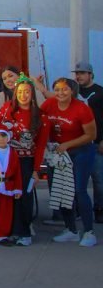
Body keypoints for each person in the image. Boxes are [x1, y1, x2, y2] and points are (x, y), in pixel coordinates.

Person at [42, 77, 98, 246]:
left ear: (73, 91)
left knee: (79, 190)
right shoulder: (49, 104)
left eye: (65, 89)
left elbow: (91, 135)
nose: (60, 92)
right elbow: (37, 117)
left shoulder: (82, 109)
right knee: (62, 190)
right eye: (57, 89)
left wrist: (67, 144)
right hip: (59, 153)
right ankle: (71, 230)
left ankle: (89, 232)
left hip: (81, 151)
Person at [0, 77, 46, 246]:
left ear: (32, 94)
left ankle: (25, 232)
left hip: (27, 161)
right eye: (20, 92)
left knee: (25, 195)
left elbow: (40, 146)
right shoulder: (7, 109)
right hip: (7, 159)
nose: (23, 95)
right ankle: (11, 230)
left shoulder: (40, 116)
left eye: (27, 92)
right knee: (9, 195)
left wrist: (36, 170)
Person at [72, 62, 103, 223]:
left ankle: (99, 209)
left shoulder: (100, 92)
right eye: (77, 73)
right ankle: (78, 210)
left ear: (91, 74)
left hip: (97, 143)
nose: (79, 76)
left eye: (83, 73)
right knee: (78, 181)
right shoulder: (73, 92)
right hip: (77, 144)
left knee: (99, 179)